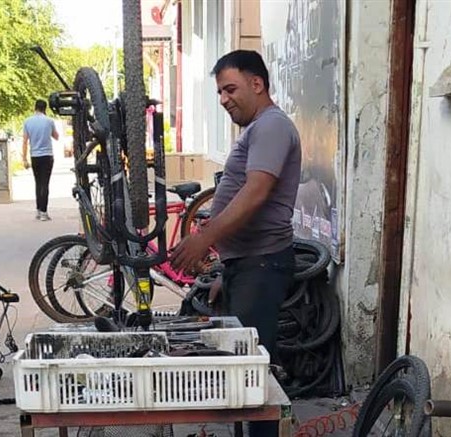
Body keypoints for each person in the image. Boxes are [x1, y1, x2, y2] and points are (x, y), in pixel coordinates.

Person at [170, 50, 301, 437]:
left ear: (257, 84)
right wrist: (226, 273)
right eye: (220, 93)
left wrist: (204, 239)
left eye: (231, 89)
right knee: (242, 370)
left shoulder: (272, 126)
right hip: (249, 265)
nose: (224, 99)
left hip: (262, 264)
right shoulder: (257, 129)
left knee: (254, 374)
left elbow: (257, 191)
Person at [22, 99, 58, 221]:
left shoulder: (27, 122)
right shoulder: (49, 121)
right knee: (45, 184)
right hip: (47, 156)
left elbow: (25, 141)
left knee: (38, 183)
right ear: (45, 109)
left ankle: (38, 210)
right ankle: (44, 212)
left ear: (35, 108)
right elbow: (56, 136)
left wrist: (24, 159)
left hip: (34, 156)